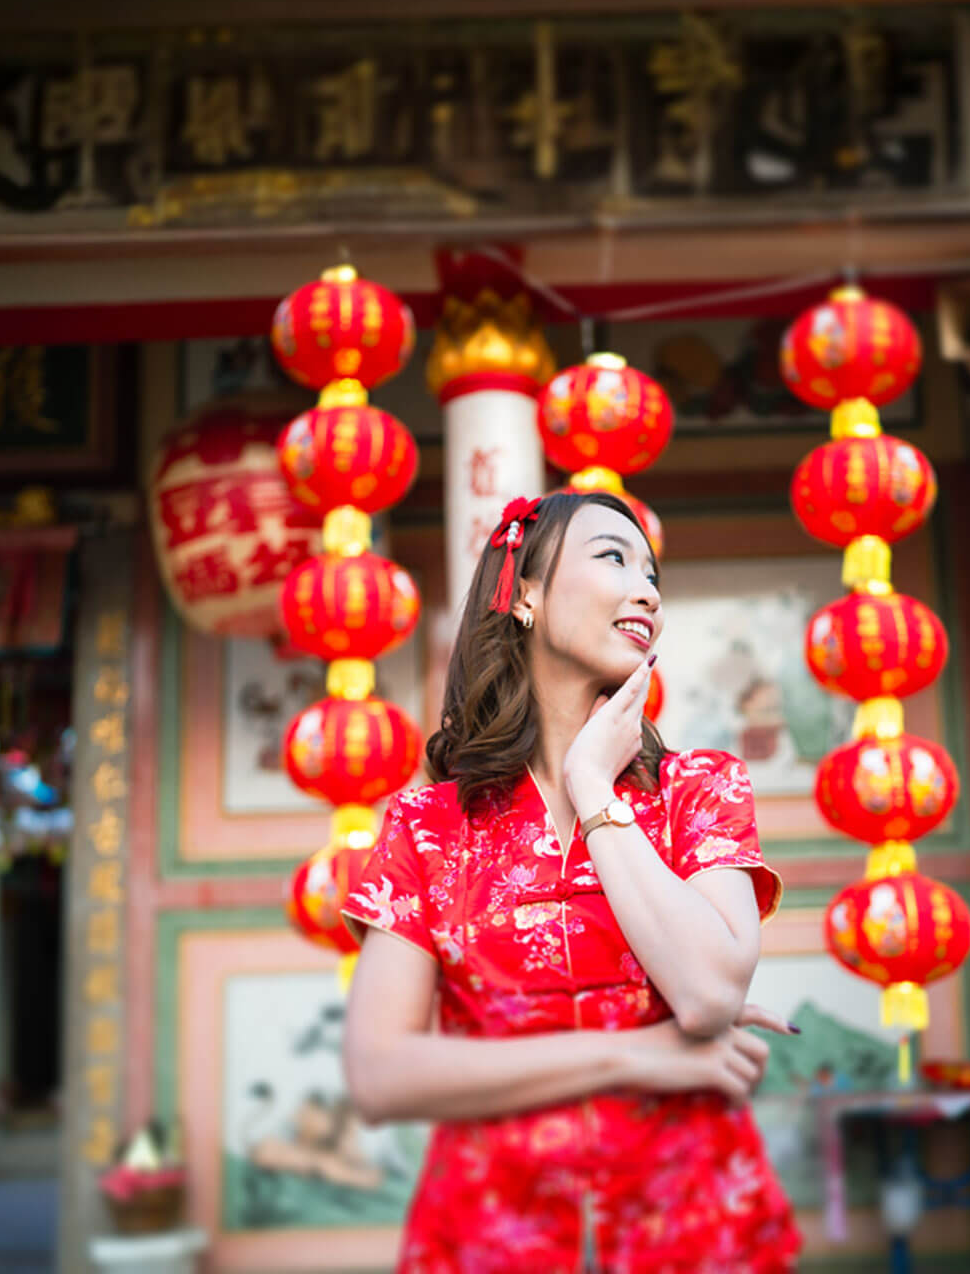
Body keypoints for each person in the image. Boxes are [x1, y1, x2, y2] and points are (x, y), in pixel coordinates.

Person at [342, 490, 804, 1272]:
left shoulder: (701, 789)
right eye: (613, 558)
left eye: (653, 573)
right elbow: (381, 1072)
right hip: (487, 1241)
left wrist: (593, 783)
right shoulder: (427, 828)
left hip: (697, 1233)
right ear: (524, 592)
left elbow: (710, 993)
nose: (648, 589)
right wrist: (641, 1055)